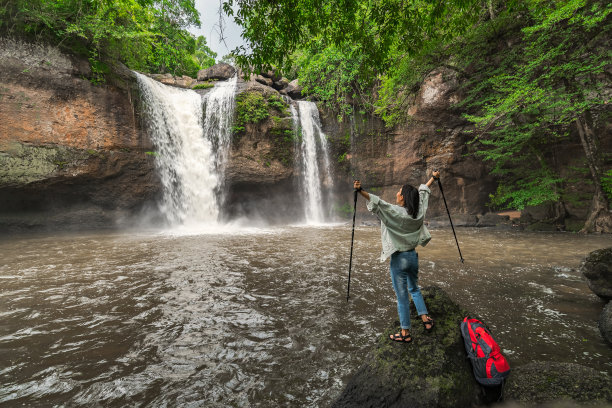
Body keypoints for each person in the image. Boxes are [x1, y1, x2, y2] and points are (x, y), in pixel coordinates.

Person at [353, 170, 440, 343]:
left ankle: (405, 333)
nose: (397, 193)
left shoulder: (394, 212)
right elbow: (422, 193)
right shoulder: (419, 212)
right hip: (413, 257)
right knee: (414, 288)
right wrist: (433, 179)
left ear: (404, 198)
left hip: (399, 259)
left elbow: (378, 202)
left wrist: (360, 190)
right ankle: (425, 319)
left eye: (400, 192)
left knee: (401, 297)